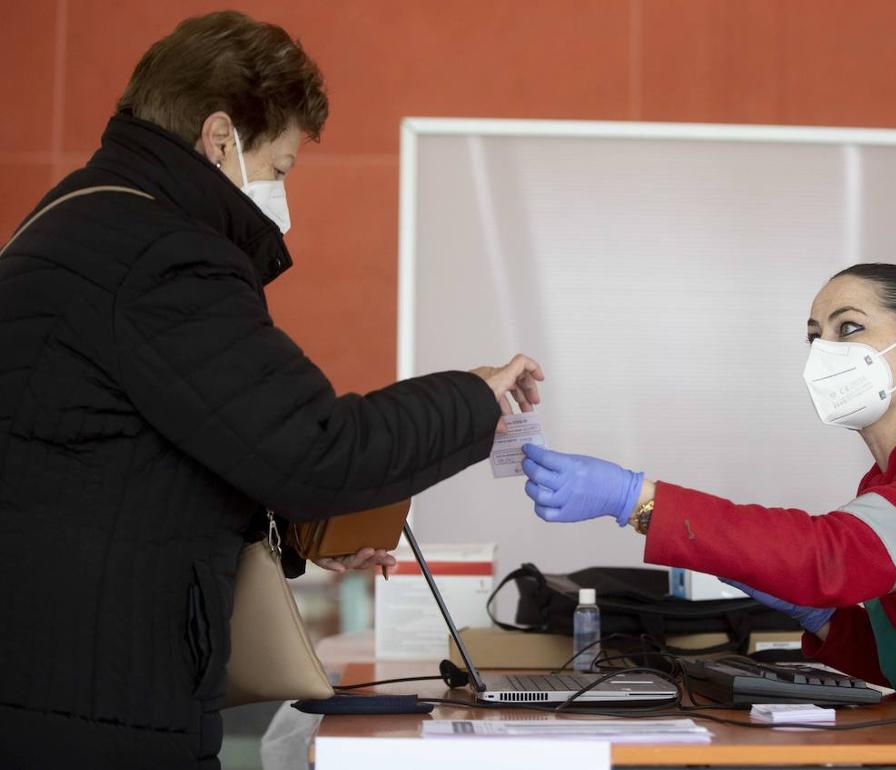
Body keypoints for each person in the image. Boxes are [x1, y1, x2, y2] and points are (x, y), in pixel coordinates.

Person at [0, 12, 541, 770]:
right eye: (280, 169)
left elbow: (131, 452)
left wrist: (301, 528)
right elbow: (318, 448)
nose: (283, 196)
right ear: (220, 138)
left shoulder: (73, 220)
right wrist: (476, 399)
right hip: (98, 704)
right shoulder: (162, 257)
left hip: (48, 680)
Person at [520, 263, 896, 766]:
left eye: (849, 328)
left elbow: (831, 556)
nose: (825, 353)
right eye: (814, 337)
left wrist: (638, 499)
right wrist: (824, 617)